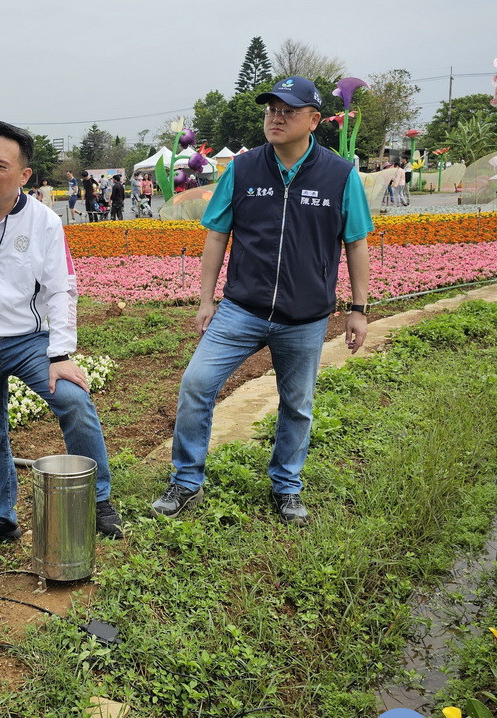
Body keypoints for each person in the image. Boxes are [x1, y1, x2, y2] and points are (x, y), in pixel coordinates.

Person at [150, 76, 372, 525]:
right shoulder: (244, 169)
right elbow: (217, 235)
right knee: (196, 384)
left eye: (288, 110)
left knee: (297, 404)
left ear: (313, 120)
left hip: (305, 317)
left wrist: (359, 309)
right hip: (241, 309)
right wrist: (206, 299)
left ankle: (287, 487)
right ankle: (186, 481)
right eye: (271, 109)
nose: (277, 116)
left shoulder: (340, 175)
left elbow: (356, 243)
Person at [0, 121, 123, 550]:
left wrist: (60, 353)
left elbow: (61, 288)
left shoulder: (45, 223)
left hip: (27, 341)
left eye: (0, 165)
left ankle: (99, 498)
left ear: (23, 175)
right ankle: (0, 517)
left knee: (73, 401)